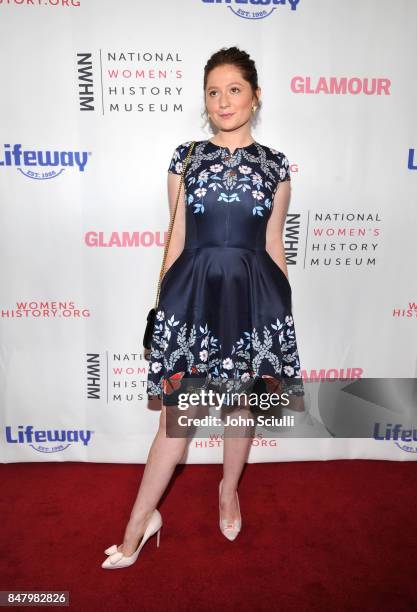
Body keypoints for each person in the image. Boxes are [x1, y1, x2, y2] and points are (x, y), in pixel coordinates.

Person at [101, 46, 303, 569]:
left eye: (234, 89)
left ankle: (228, 491)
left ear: (255, 97)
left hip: (255, 299)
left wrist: (279, 313)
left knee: (242, 408)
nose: (222, 100)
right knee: (176, 420)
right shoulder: (185, 156)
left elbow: (275, 246)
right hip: (192, 300)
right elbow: (176, 241)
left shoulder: (276, 165)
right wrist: (168, 309)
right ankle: (138, 524)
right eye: (213, 92)